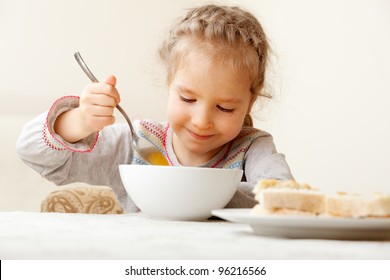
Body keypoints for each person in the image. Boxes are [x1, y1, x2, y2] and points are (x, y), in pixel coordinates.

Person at [17, 4, 294, 213]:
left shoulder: (251, 148)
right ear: (169, 85)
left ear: (250, 101)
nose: (201, 121)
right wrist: (79, 121)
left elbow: (283, 199)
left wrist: (198, 190)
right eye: (187, 99)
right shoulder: (139, 143)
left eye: (224, 107)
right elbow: (32, 152)